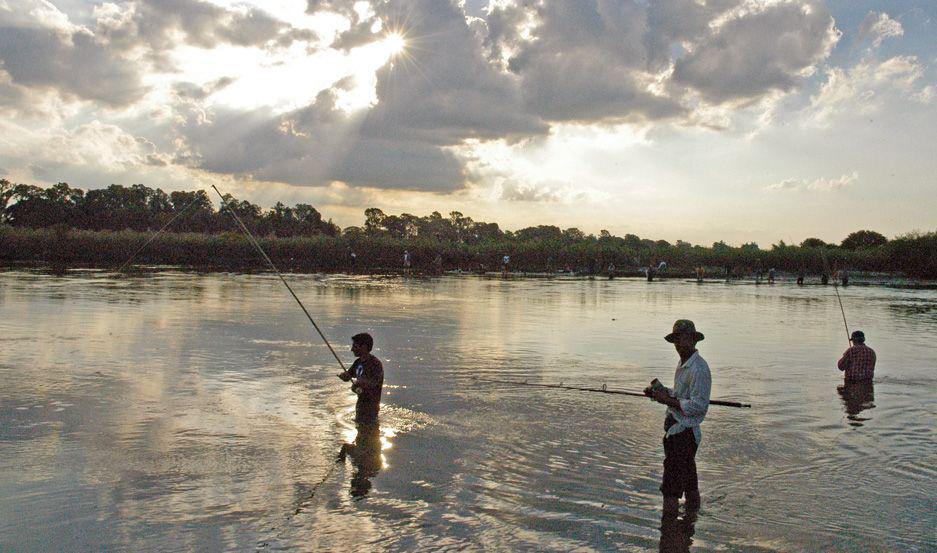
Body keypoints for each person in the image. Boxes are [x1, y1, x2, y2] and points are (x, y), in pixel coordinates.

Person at [645, 320, 712, 517]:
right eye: (675, 340)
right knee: (690, 481)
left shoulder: (699, 369)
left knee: (670, 488)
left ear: (693, 340)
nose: (679, 344)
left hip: (684, 433)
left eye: (683, 339)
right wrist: (661, 392)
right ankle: (692, 519)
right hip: (678, 432)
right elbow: (681, 394)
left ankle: (669, 529)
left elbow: (698, 406)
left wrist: (667, 400)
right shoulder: (683, 364)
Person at [337, 333, 384, 424]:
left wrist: (359, 384)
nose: (352, 349)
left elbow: (373, 383)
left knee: (367, 430)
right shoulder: (358, 362)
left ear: (364, 347)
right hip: (360, 406)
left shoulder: (375, 364)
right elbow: (349, 375)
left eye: (355, 346)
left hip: (371, 408)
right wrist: (344, 376)